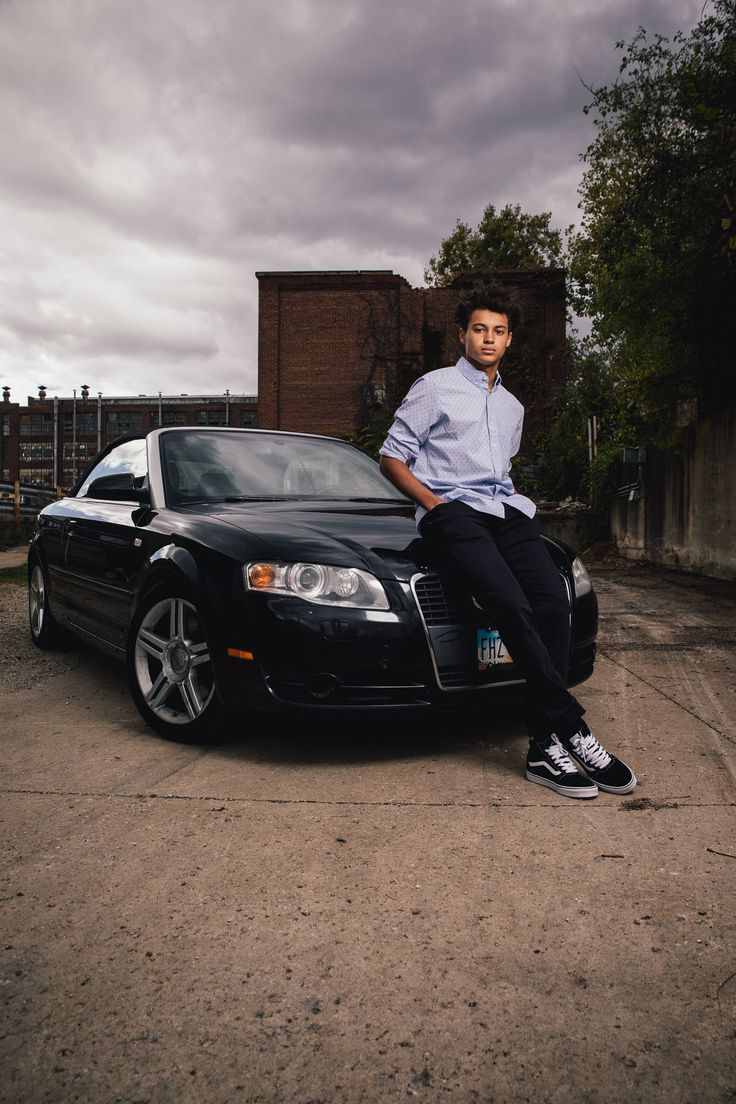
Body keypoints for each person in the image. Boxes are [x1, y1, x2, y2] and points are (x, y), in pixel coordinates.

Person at [378, 283, 636, 799]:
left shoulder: (514, 407)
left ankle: (543, 746)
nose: (488, 339)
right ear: (463, 335)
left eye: (498, 331)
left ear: (509, 339)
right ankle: (571, 728)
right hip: (453, 514)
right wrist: (436, 505)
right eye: (479, 329)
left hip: (507, 513)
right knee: (509, 603)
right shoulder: (435, 386)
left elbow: (501, 470)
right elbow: (391, 458)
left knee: (552, 599)